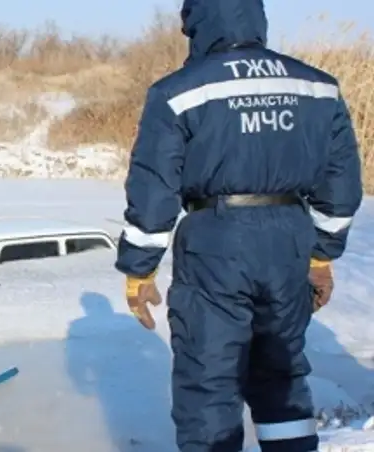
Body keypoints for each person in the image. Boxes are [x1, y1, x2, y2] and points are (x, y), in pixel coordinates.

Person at [114, 1, 363, 451]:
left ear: (197, 22)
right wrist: (321, 256)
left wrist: (139, 269)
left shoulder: (178, 91)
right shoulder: (318, 87)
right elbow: (342, 183)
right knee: (282, 374)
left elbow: (154, 189)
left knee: (209, 378)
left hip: (216, 241)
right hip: (289, 238)